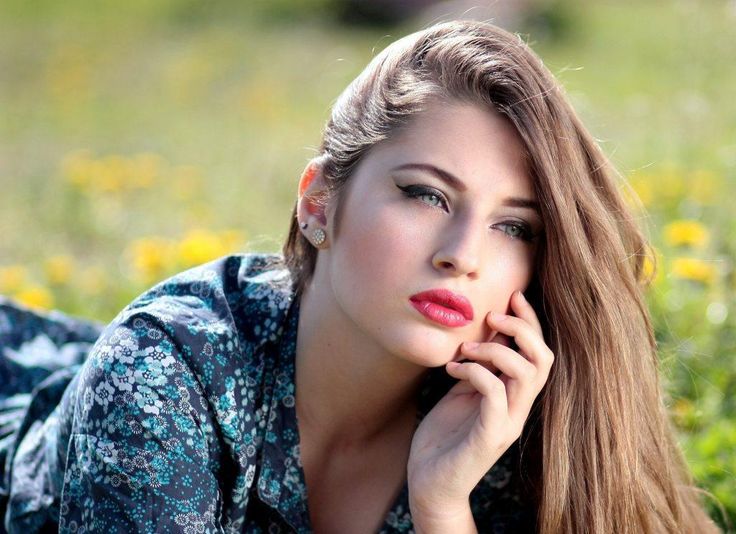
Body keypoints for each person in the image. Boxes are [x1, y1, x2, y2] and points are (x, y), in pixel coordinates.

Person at [0, 19, 720, 534]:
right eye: (426, 194)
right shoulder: (156, 381)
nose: (463, 254)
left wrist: (441, 506)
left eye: (514, 226)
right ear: (318, 204)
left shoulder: (503, 426)